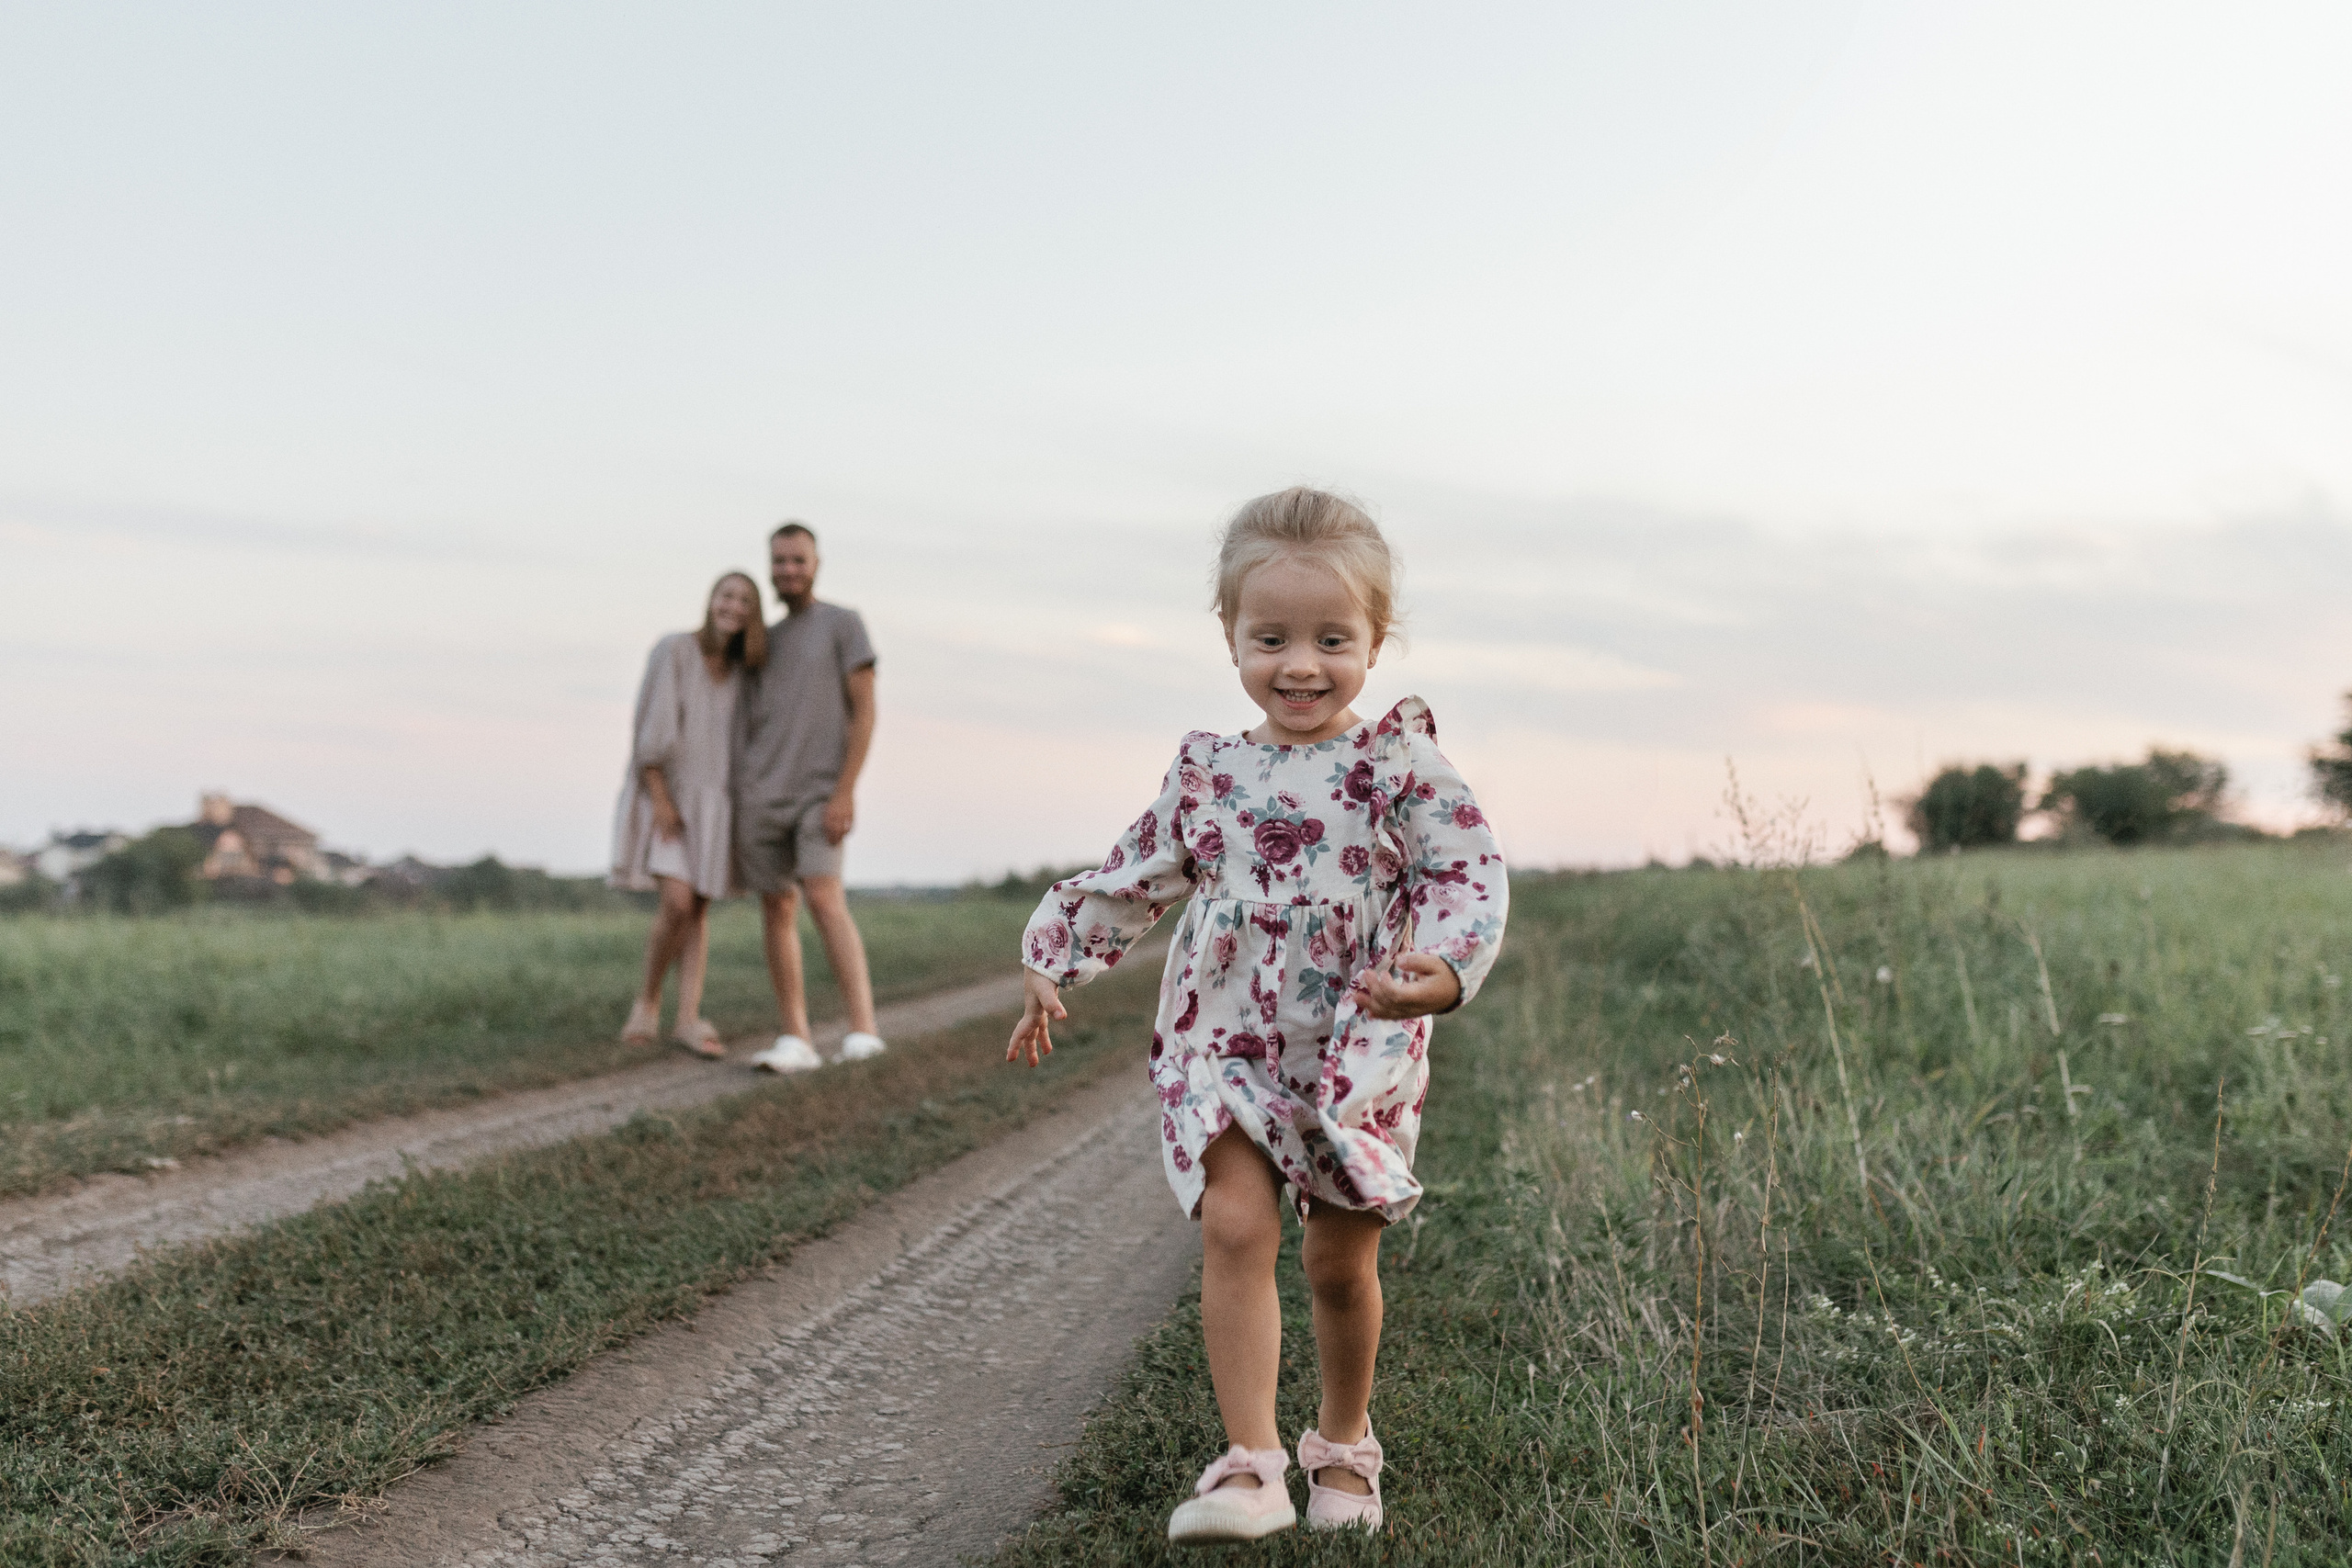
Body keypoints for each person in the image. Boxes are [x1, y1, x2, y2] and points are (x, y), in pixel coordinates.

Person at [1006, 488, 1508, 1544]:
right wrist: (1052, 954)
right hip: (1221, 1037)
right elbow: (1138, 873)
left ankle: (1342, 1443)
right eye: (1269, 637)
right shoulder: (1207, 769)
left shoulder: (1398, 765)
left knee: (1338, 1261)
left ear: (1377, 640)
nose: (1300, 666)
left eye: (1332, 639)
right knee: (1234, 1224)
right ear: (1229, 634)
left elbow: (1468, 871)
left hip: (1354, 1047)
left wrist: (1444, 970)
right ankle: (1250, 1463)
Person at [735, 521, 886, 1073]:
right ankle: (795, 1037)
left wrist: (846, 790)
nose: (787, 571)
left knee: (823, 896)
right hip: (761, 795)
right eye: (778, 561)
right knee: (776, 906)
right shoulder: (764, 642)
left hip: (820, 791)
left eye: (797, 560)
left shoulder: (844, 625)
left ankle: (863, 1030)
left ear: (816, 563)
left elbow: (865, 710)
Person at [612, 571, 766, 1057]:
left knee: (698, 908)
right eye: (727, 596)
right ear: (711, 600)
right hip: (670, 792)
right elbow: (649, 731)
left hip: (718, 800)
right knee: (677, 903)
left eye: (745, 600)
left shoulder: (745, 669)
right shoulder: (675, 650)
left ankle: (688, 1017)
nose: (734, 607)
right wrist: (659, 798)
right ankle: (647, 1001)